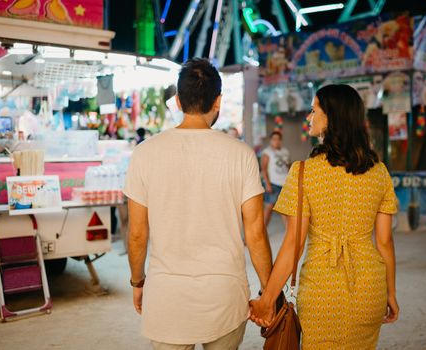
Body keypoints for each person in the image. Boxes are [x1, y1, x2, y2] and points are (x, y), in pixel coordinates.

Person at [124, 58, 273, 350]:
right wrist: (268, 292)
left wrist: (138, 282)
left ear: (177, 101)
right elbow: (255, 233)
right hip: (225, 293)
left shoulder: (145, 154)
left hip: (167, 293)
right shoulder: (240, 154)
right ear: (218, 101)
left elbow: (138, 233)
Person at [250, 84, 399, 349]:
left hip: (321, 290)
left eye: (314, 110)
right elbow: (385, 242)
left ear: (331, 117)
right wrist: (391, 293)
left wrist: (267, 299)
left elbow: (292, 245)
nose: (309, 117)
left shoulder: (304, 172)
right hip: (369, 289)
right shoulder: (379, 173)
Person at [261, 131, 290, 227]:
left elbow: (289, 167)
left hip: (285, 184)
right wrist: (267, 184)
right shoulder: (267, 152)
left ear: (281, 140)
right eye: (274, 139)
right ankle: (262, 231)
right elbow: (264, 169)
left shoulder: (285, 151)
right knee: (268, 208)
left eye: (278, 139)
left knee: (284, 210)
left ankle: (289, 234)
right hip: (273, 183)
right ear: (270, 140)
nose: (276, 141)